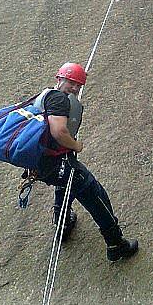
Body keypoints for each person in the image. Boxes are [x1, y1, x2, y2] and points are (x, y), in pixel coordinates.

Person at [35, 62, 138, 262]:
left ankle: (63, 225)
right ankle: (116, 244)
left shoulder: (43, 96)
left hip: (43, 163)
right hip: (56, 162)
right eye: (71, 82)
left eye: (78, 85)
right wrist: (75, 145)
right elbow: (59, 132)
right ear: (59, 78)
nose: (74, 88)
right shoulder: (59, 100)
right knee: (94, 193)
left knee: (65, 184)